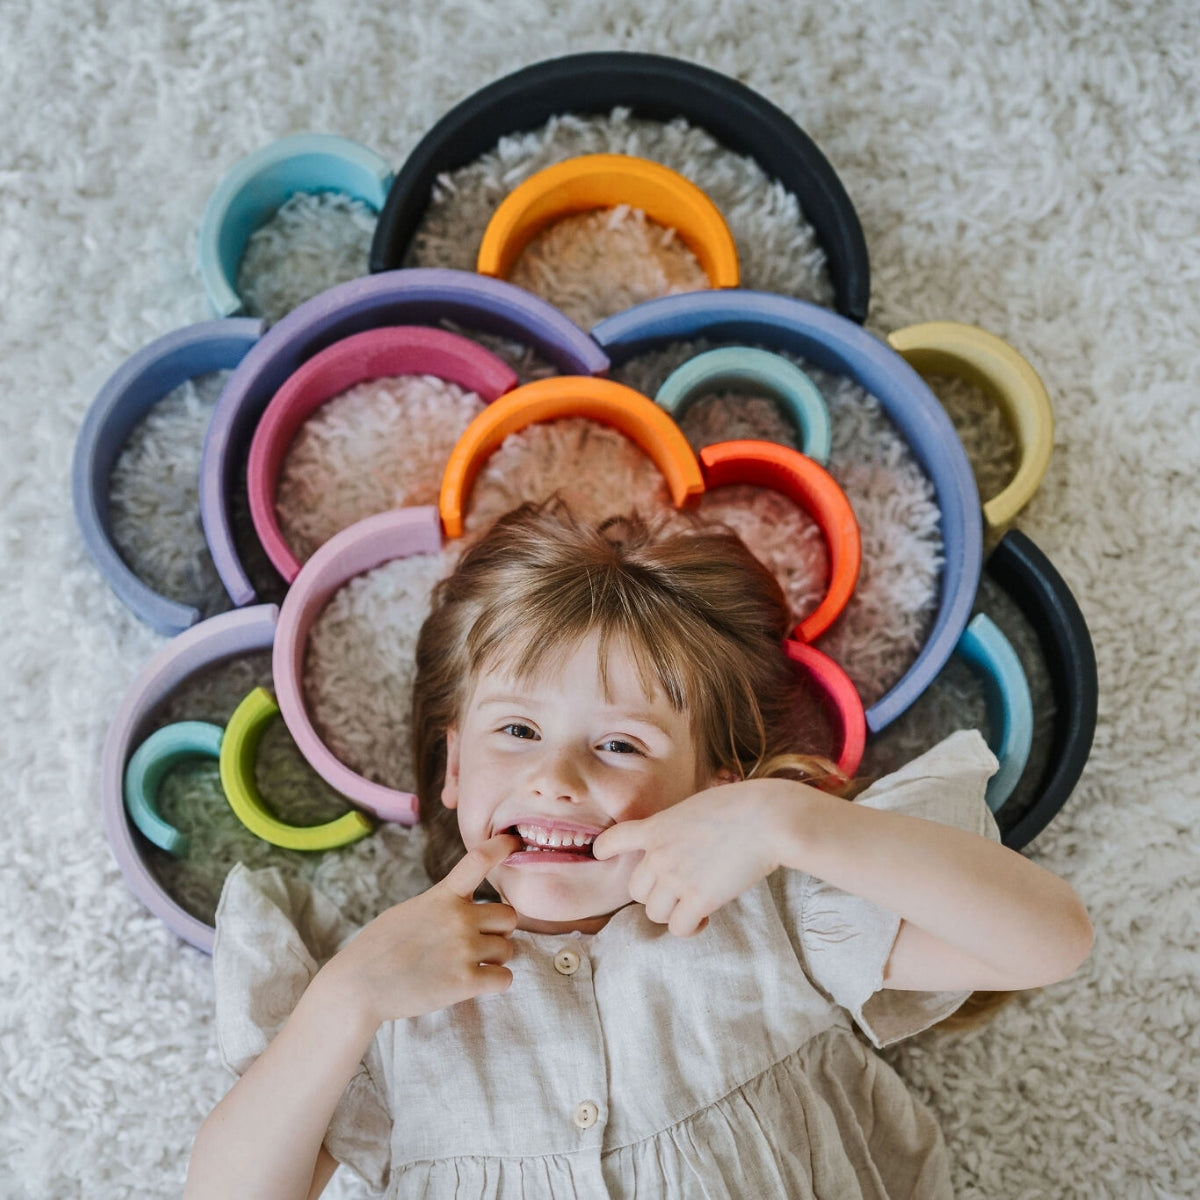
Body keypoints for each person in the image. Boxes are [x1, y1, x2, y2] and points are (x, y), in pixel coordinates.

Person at [184, 499, 1093, 1200]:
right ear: (453, 765)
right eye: (516, 731)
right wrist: (346, 1000)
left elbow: (1050, 937)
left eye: (619, 744)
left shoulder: (776, 918)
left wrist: (788, 822)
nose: (556, 778)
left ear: (714, 789)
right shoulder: (390, 1004)